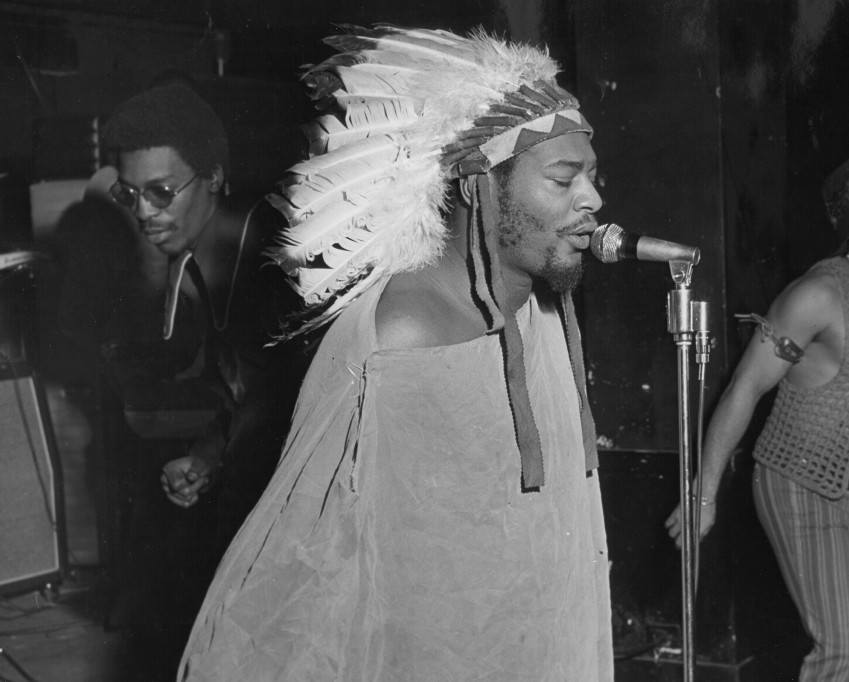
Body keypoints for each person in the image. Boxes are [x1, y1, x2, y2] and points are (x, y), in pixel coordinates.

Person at [178, 26, 611, 681]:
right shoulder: (403, 334)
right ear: (479, 189)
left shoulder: (542, 311)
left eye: (592, 177)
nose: (593, 200)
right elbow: (320, 572)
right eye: (563, 179)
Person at [666, 149, 849, 680]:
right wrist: (704, 494)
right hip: (797, 485)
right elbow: (745, 387)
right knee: (846, 655)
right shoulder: (818, 296)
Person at [88, 83, 303, 679]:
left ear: (213, 178)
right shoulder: (191, 264)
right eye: (129, 193)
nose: (143, 213)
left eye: (161, 192)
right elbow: (245, 394)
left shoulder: (281, 258)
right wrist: (209, 456)